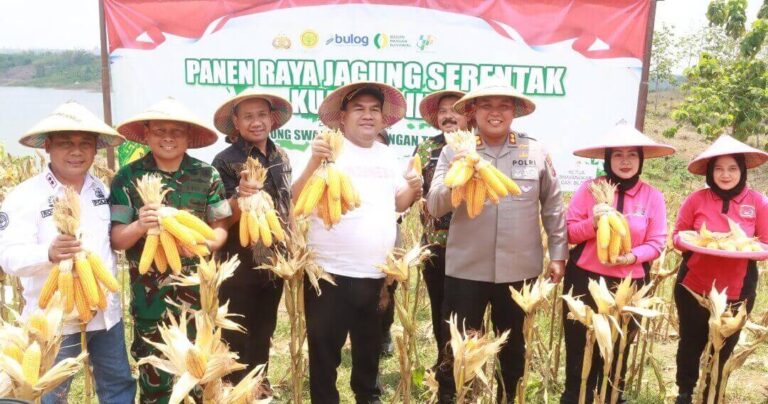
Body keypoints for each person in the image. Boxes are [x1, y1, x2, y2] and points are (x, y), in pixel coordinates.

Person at [427, 82, 567, 403]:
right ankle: (458, 398)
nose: (495, 113)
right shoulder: (454, 151)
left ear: (514, 113)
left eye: (504, 106)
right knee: (458, 351)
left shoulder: (535, 152)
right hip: (466, 271)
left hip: (520, 272)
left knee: (514, 351)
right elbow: (434, 205)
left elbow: (553, 206)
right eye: (486, 105)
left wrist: (558, 254)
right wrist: (462, 173)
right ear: (473, 113)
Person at [292, 81, 422, 403]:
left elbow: (399, 203)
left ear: (382, 118)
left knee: (369, 352)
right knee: (325, 353)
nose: (368, 115)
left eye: (374, 109)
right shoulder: (326, 151)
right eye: (359, 109)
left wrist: (414, 188)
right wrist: (313, 162)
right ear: (343, 115)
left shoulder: (387, 155)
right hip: (328, 273)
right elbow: (296, 200)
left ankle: (368, 398)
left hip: (376, 274)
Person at [0, 101, 135, 403]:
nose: (76, 152)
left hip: (104, 315)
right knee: (51, 394)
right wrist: (47, 253)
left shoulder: (101, 189)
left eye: (85, 144)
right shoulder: (24, 197)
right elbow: (7, 257)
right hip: (54, 321)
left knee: (118, 386)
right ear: (47, 146)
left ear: (95, 149)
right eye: (66, 144)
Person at [109, 97, 231, 403]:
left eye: (176, 131)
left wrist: (200, 244)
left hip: (198, 298)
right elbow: (117, 239)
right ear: (147, 134)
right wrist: (140, 225)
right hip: (150, 299)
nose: (168, 137)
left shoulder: (208, 175)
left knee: (199, 376)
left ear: (188, 136)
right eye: (160, 130)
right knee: (155, 379)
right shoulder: (127, 177)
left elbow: (220, 228)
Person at [561, 123, 674, 403]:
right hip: (584, 279)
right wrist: (594, 222)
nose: (625, 161)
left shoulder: (652, 196)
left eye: (632, 155)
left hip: (629, 283)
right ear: (607, 160)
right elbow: (568, 231)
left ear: (641, 160)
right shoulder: (589, 189)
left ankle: (612, 396)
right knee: (579, 346)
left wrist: (632, 256)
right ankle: (576, 395)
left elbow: (657, 241)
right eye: (618, 155)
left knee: (617, 348)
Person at [672, 135, 768, 404]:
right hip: (693, 285)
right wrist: (693, 240)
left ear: (742, 170)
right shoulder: (696, 199)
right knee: (690, 342)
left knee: (724, 348)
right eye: (719, 168)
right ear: (711, 172)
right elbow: (678, 237)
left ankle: (712, 393)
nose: (725, 175)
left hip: (738, 290)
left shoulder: (758, 203)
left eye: (732, 168)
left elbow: (765, 243)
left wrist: (742, 246)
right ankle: (685, 392)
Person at [210, 90, 293, 388]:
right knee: (235, 333)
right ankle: (233, 390)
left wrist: (293, 243)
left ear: (271, 118)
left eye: (261, 115)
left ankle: (259, 387)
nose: (256, 122)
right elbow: (217, 215)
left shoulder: (281, 156)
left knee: (264, 328)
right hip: (238, 264)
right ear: (236, 121)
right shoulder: (224, 161)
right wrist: (239, 197)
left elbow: (286, 204)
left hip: (274, 261)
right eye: (248, 116)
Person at [412, 89, 467, 366]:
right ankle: (443, 362)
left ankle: (466, 362)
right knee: (440, 306)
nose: (448, 115)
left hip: (471, 246)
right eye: (443, 111)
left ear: (468, 113)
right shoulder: (425, 149)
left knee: (466, 310)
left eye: (455, 109)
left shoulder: (480, 147)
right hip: (436, 244)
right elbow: (415, 191)